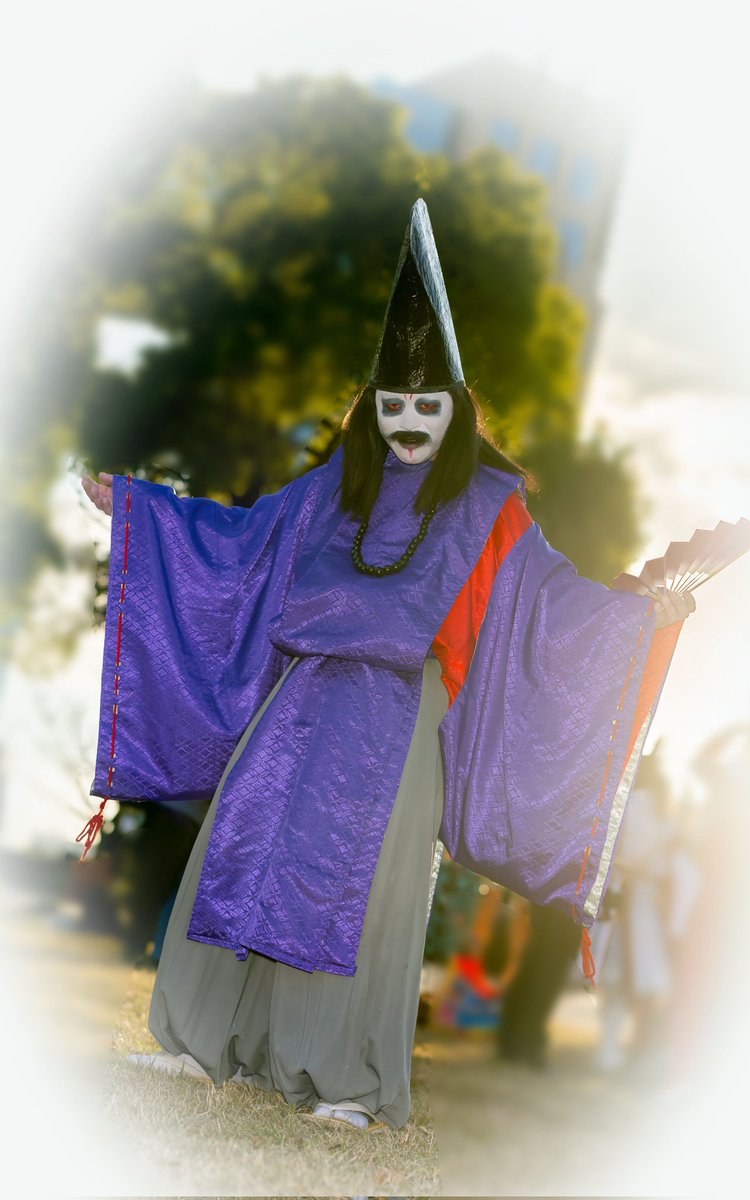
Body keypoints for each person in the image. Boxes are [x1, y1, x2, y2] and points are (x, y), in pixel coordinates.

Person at [80, 198, 695, 1131]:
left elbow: (550, 604)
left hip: (403, 719)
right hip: (297, 700)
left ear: (457, 409)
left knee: (363, 889)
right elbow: (242, 540)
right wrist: (140, 510)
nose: (409, 421)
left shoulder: (491, 505)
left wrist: (643, 613)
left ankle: (347, 1081)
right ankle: (200, 1043)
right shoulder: (334, 487)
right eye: (394, 404)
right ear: (371, 408)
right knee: (241, 853)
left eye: (427, 404)